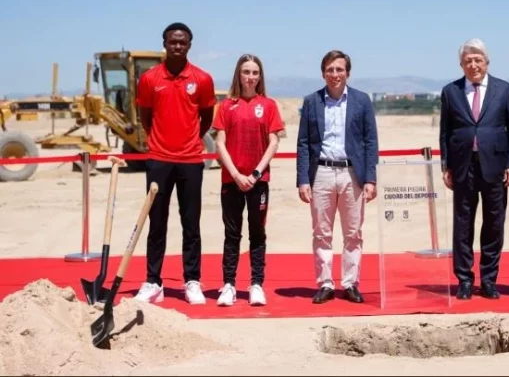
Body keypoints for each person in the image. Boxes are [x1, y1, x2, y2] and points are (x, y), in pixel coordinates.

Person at [134, 22, 216, 305]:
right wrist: (159, 140)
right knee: (157, 223)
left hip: (191, 160)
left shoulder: (202, 79)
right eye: (172, 42)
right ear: (165, 44)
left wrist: (190, 139)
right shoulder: (149, 78)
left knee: (191, 224)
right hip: (158, 159)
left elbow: (205, 118)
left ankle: (192, 281)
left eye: (182, 42)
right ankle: (153, 282)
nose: (177, 46)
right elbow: (145, 116)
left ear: (190, 45)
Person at [296, 50, 379, 304]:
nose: (335, 74)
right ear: (323, 73)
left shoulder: (362, 101)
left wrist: (371, 178)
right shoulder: (312, 102)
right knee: (321, 232)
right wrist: (302, 179)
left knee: (353, 232)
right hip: (320, 173)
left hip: (352, 173)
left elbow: (370, 141)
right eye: (330, 70)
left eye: (339, 69)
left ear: (348, 73)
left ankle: (351, 283)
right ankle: (325, 283)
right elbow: (303, 143)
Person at [439, 38, 509, 300]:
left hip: (494, 166)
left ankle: (488, 279)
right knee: (463, 225)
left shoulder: (504, 89)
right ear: (461, 65)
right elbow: (445, 131)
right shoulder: (450, 91)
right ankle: (463, 279)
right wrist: (446, 165)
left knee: (494, 224)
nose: (473, 64)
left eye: (478, 60)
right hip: (462, 166)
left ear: (487, 62)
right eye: (468, 61)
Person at [212, 54, 285, 307]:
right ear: (238, 75)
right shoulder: (225, 106)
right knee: (232, 234)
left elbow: (274, 141)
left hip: (258, 181)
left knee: (257, 233)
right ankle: (229, 285)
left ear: (260, 76)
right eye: (246, 72)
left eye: (255, 72)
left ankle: (256, 284)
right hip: (231, 180)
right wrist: (235, 174)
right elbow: (220, 142)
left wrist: (254, 174)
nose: (250, 77)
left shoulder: (269, 105)